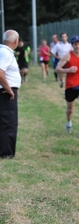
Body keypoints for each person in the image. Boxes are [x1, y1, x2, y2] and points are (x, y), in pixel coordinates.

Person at [56, 35, 79, 139]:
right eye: (75, 44)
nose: (77, 46)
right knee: (70, 109)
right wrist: (68, 70)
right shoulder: (68, 56)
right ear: (72, 45)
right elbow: (57, 69)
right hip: (71, 85)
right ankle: (68, 123)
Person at [0, 30, 21, 158]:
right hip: (5, 93)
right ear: (16, 41)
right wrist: (8, 89)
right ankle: (6, 153)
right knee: (9, 122)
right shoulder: (6, 53)